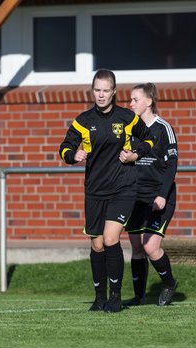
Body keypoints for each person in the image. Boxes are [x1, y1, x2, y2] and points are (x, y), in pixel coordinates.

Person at [59, 69, 156, 312]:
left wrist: (135, 154)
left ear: (114, 92)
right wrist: (74, 155)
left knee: (111, 239)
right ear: (92, 91)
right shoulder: (82, 121)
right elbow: (64, 147)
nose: (101, 95)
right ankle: (99, 297)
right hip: (94, 190)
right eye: (97, 90)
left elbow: (150, 139)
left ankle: (115, 297)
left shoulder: (127, 117)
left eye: (106, 90)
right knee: (97, 245)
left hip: (123, 186)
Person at [125, 83, 178, 306]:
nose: (130, 104)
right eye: (130, 99)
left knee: (150, 246)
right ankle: (139, 297)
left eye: (135, 99)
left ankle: (169, 284)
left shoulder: (163, 128)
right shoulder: (130, 129)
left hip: (158, 197)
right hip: (134, 197)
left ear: (149, 101)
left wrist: (162, 195)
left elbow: (172, 165)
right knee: (136, 247)